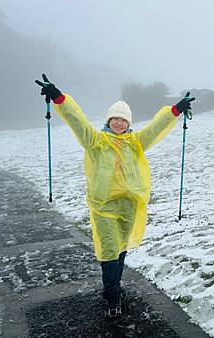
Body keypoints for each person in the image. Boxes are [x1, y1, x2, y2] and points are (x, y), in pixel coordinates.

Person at [35, 74, 194, 319]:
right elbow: (78, 122)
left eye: (123, 119)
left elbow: (156, 127)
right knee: (109, 249)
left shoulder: (135, 142)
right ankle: (112, 297)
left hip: (129, 205)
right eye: (115, 119)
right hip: (104, 207)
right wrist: (59, 98)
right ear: (109, 120)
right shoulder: (96, 141)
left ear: (128, 122)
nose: (119, 123)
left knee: (120, 249)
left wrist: (175, 110)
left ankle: (114, 288)